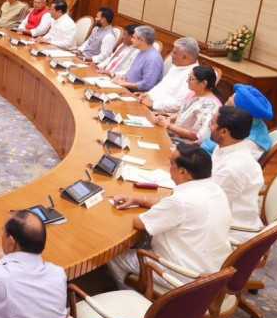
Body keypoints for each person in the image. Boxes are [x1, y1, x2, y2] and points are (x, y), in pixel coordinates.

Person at [108, 143, 232, 289]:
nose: (169, 166)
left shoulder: (181, 201)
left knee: (114, 256)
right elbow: (171, 206)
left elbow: (139, 223)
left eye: (172, 163)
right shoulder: (215, 189)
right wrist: (137, 200)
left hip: (184, 276)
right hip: (212, 271)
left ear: (183, 172)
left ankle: (127, 296)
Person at [209, 106, 265, 243]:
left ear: (223, 131)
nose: (209, 126)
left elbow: (209, 204)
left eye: (212, 123)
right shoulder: (227, 146)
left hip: (231, 232)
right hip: (220, 210)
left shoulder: (233, 168)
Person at [151, 66, 221, 143]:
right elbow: (182, 114)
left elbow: (198, 136)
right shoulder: (192, 93)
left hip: (186, 145)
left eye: (191, 79)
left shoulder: (211, 106)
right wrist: (165, 117)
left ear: (204, 83)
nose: (187, 81)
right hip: (174, 136)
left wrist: (169, 125)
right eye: (188, 77)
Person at [203, 85, 274, 159]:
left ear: (238, 113)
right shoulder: (253, 122)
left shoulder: (248, 144)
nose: (225, 104)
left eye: (229, 102)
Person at [139, 37, 200, 112]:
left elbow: (179, 104)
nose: (171, 55)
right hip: (148, 105)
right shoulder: (177, 65)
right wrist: (148, 94)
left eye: (174, 52)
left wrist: (154, 104)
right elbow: (161, 86)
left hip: (161, 113)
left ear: (184, 57)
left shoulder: (194, 76)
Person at [113, 25, 164, 92]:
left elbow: (147, 85)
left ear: (142, 40)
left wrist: (125, 84)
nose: (131, 39)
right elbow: (133, 72)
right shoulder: (141, 51)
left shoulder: (153, 59)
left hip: (136, 94)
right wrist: (123, 77)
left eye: (134, 37)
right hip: (126, 87)